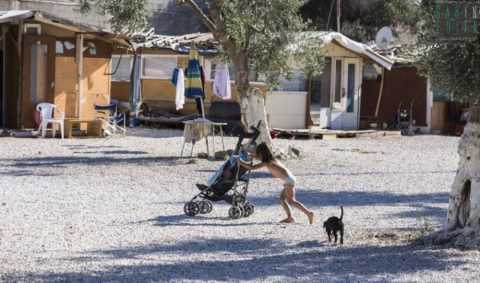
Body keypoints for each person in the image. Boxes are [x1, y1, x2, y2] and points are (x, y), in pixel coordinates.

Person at [239, 143, 314, 224]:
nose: (258, 155)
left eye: (259, 153)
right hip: (289, 179)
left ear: (262, 154)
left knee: (291, 201)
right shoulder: (271, 159)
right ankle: (290, 217)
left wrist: (240, 162)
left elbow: (252, 167)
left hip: (288, 180)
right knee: (282, 199)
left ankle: (309, 213)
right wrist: (250, 155)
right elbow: (257, 158)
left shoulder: (268, 162)